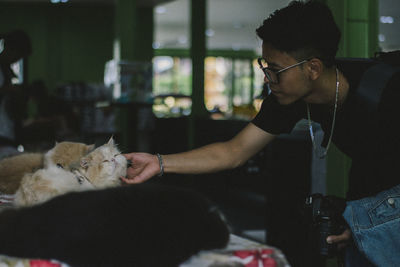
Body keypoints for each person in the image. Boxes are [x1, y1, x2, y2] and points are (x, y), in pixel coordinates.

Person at [122, 1, 399, 266]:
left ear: (312, 68)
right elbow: (234, 151)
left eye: (276, 69)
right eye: (264, 66)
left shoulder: (387, 94)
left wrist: (371, 225)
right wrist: (158, 163)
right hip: (370, 194)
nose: (267, 78)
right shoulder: (289, 98)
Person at [0, 30, 31, 158]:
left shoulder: (6, 70)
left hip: (6, 133)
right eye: (18, 55)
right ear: (9, 48)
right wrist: (9, 90)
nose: (16, 60)